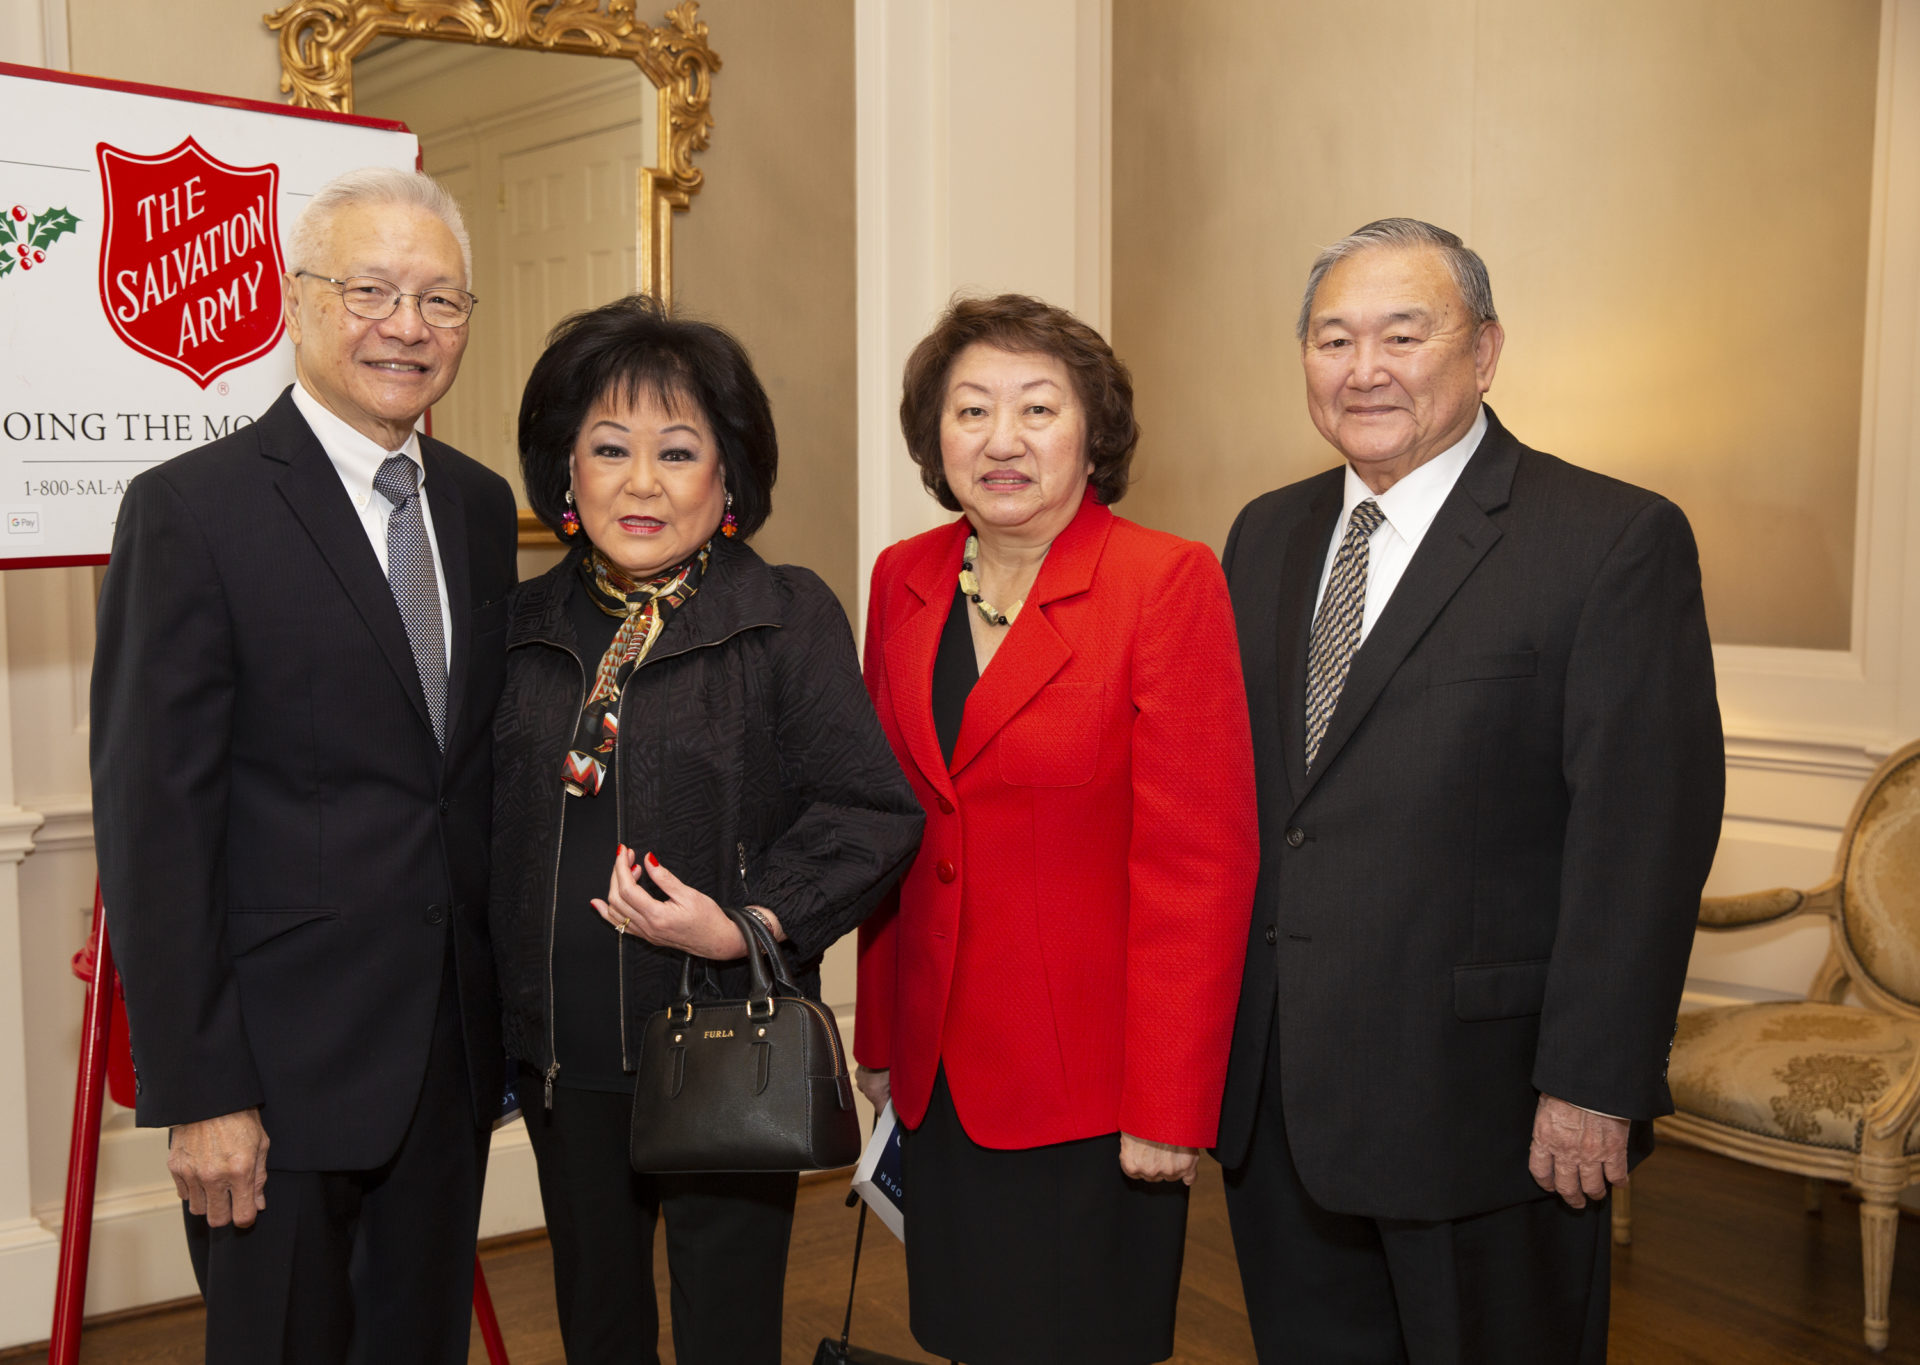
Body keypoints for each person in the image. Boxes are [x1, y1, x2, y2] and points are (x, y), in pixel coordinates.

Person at [1213, 217, 1726, 1363]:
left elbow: (1640, 836)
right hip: (1280, 1103)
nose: (1364, 369)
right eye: (1331, 338)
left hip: (1485, 1113)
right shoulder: (1264, 534)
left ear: (1484, 351)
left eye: (1404, 333)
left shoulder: (1607, 539)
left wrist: (1594, 1083)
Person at [90, 168, 517, 1362]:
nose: (407, 325)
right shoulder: (192, 511)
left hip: (443, 1059)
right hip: (271, 1077)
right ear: (296, 300)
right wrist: (199, 1089)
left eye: (440, 299)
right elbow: (151, 823)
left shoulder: (479, 509)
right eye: (371, 288)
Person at [489, 294, 923, 1365]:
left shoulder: (781, 613)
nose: (642, 482)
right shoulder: (518, 626)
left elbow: (867, 808)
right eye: (609, 448)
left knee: (728, 1329)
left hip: (723, 1043)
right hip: (562, 1051)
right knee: (597, 1321)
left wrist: (746, 927)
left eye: (677, 451)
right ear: (564, 475)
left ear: (727, 479)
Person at [852, 294, 1258, 1365]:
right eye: (970, 410)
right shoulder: (903, 579)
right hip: (938, 1069)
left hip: (1091, 1089)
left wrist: (1169, 1102)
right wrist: (882, 1038)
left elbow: (1199, 863)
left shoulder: (1161, 583)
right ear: (934, 438)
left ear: (1093, 434)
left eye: (1037, 409)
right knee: (963, 1338)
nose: (1001, 439)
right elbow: (890, 828)